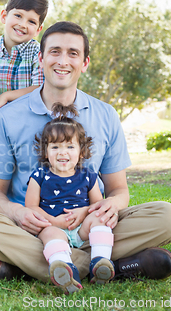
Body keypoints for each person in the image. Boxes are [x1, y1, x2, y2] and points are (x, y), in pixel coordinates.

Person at [0, 21, 171, 288]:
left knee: (167, 217)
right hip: (33, 230)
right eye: (54, 51)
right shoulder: (8, 116)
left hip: (92, 226)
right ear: (41, 58)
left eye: (73, 53)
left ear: (85, 62)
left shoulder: (106, 115)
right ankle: (114, 265)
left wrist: (109, 207)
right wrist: (18, 214)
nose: (62, 61)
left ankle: (36, 265)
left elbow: (118, 189)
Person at [25, 103, 116, 294]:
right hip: (52, 226)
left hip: (81, 229)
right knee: (50, 234)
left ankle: (99, 262)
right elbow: (31, 206)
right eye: (55, 146)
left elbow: (98, 205)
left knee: (100, 219)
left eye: (69, 146)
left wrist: (84, 214)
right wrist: (53, 221)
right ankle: (65, 269)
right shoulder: (40, 176)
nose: (62, 152)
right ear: (45, 151)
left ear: (81, 151)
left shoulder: (88, 176)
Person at [0, 0, 49, 122]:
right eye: (18, 16)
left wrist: (6, 96)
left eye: (31, 21)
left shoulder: (38, 54)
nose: (23, 24)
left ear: (38, 30)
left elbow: (39, 89)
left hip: (27, 117)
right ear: (4, 16)